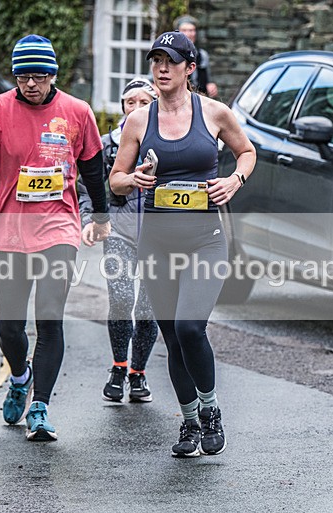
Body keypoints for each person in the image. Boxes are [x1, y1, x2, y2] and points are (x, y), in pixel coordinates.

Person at [109, 32, 255, 457]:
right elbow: (115, 178)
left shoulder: (214, 113)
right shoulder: (139, 121)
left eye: (171, 61)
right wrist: (132, 179)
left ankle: (210, 411)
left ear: (190, 68)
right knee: (172, 336)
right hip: (156, 244)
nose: (161, 68)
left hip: (205, 241)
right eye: (156, 60)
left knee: (191, 327)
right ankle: (189, 422)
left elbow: (247, 152)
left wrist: (234, 180)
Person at [0, 34, 110, 442]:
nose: (30, 84)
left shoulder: (77, 112)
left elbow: (94, 170)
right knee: (10, 328)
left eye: (39, 76)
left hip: (58, 227)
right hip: (9, 229)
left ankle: (40, 408)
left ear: (53, 75)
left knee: (49, 316)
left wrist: (101, 215)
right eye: (22, 76)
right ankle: (20, 376)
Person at [78, 78, 159, 403]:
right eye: (130, 102)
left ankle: (138, 373)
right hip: (119, 233)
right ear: (122, 105)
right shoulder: (108, 144)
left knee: (148, 309)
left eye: (144, 102)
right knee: (123, 299)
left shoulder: (168, 141)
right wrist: (91, 220)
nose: (136, 109)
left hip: (158, 237)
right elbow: (88, 186)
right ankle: (118, 367)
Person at [175, 15, 218, 98]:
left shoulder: (203, 55)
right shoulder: (169, 54)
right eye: (184, 30)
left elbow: (208, 81)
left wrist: (211, 86)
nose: (188, 34)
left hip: (200, 99)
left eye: (191, 30)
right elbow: (153, 80)